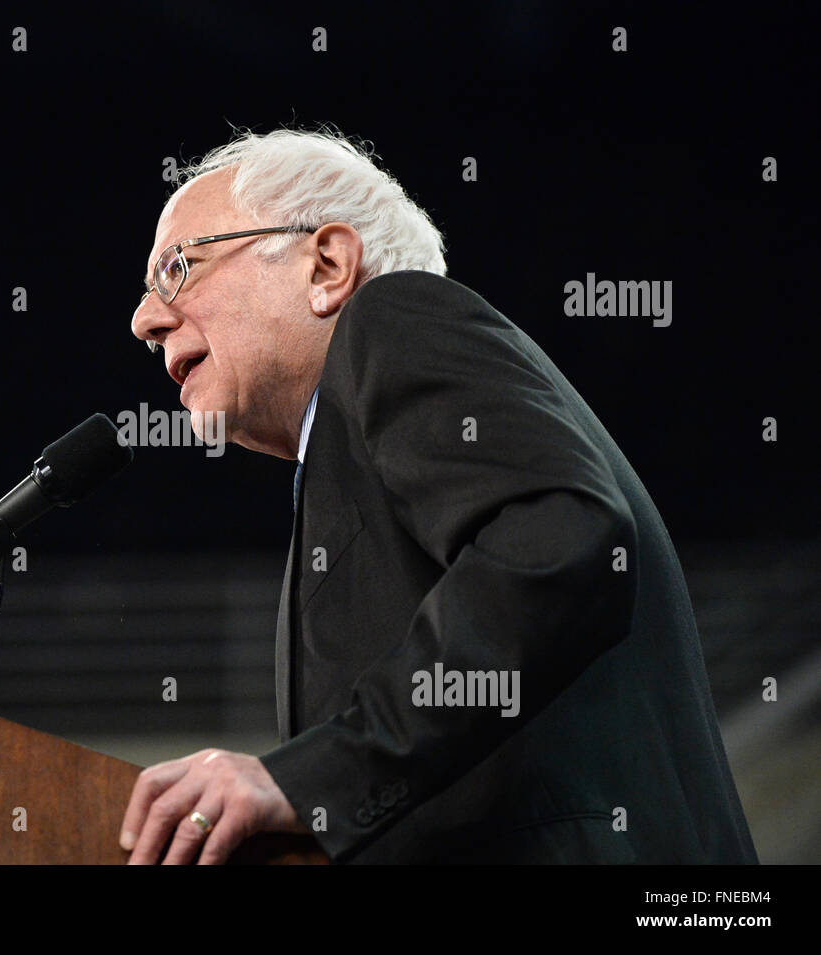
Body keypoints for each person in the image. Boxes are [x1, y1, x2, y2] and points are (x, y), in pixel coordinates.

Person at [120, 127, 758, 865]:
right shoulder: (344, 461)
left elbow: (559, 535)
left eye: (176, 268)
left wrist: (309, 778)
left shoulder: (395, 318)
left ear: (326, 264)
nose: (145, 320)